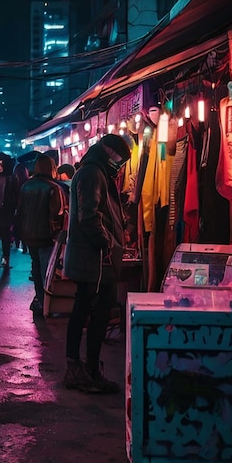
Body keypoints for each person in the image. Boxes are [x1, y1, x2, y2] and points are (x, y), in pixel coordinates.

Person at [62, 134, 132, 394]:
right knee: (88, 311)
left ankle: (89, 367)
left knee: (92, 311)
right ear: (108, 151)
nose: (120, 164)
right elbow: (90, 216)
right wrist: (106, 245)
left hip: (95, 258)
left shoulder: (97, 170)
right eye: (119, 158)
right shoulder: (92, 172)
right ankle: (78, 368)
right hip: (93, 259)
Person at [16, 154, 65, 316]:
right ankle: (46, 304)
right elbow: (57, 215)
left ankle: (39, 298)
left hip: (29, 235)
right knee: (46, 270)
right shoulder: (53, 188)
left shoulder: (26, 186)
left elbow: (20, 211)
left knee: (36, 267)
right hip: (46, 236)